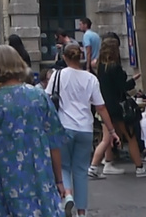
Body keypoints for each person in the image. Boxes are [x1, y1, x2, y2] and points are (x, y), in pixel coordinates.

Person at [0, 45, 65, 217]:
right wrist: (59, 179)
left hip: (2, 181)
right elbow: (54, 142)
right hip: (39, 176)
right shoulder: (40, 96)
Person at [49, 42, 114, 217]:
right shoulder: (90, 78)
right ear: (81, 57)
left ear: (64, 57)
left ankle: (68, 195)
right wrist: (111, 130)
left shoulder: (57, 76)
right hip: (85, 127)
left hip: (63, 126)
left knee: (63, 165)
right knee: (80, 170)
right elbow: (100, 106)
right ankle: (82, 212)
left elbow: (47, 100)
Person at [90, 34, 146, 178]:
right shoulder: (115, 67)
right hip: (119, 108)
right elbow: (122, 87)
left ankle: (94, 167)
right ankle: (140, 168)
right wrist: (133, 80)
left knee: (106, 139)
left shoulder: (100, 66)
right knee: (130, 137)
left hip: (105, 106)